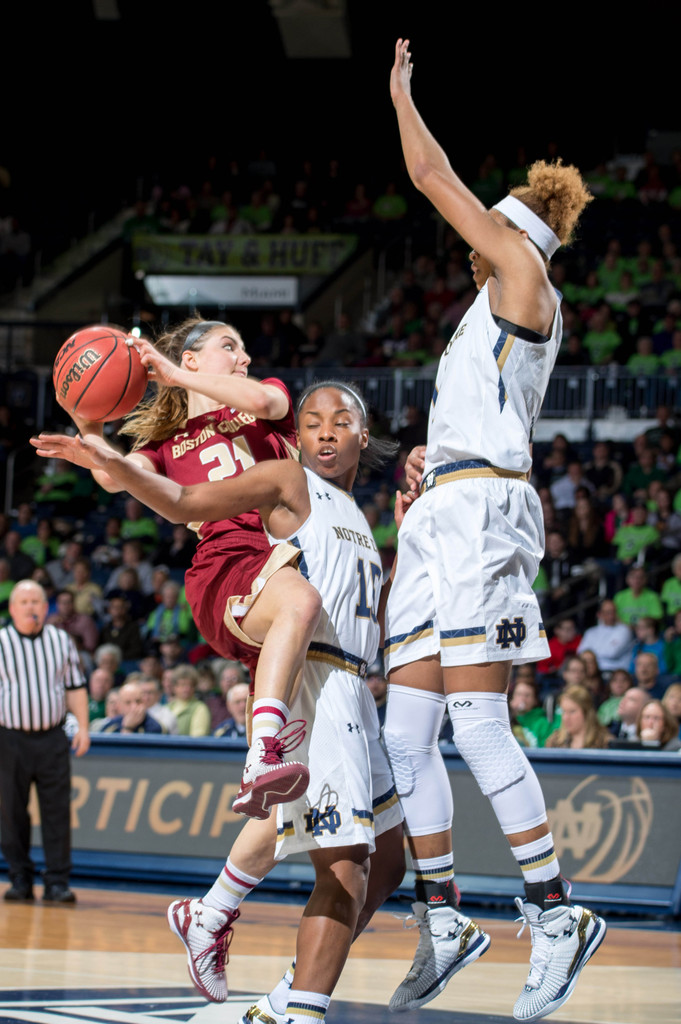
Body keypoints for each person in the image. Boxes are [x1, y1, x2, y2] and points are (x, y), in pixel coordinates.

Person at [33, 382, 405, 1024]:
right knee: (344, 866)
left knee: (390, 864)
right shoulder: (289, 479)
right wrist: (111, 458)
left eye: (339, 422)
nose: (323, 431)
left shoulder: (361, 519)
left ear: (361, 438)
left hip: (356, 686)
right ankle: (297, 1012)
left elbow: (368, 615)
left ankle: (236, 943)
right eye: (311, 420)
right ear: (297, 434)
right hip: (317, 681)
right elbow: (181, 499)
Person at [382, 39, 604, 1023]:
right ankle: (443, 916)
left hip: (485, 519)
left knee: (475, 722)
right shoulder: (480, 311)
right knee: (405, 730)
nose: (465, 233)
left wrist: (401, 95)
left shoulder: (521, 270)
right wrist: (423, 469)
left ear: (511, 226)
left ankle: (557, 913)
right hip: (445, 512)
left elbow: (428, 172)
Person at [60, 317, 324, 818]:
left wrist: (175, 379)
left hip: (297, 560)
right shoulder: (163, 444)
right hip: (229, 562)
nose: (245, 358)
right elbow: (115, 479)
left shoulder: (265, 399)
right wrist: (87, 422)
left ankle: (218, 898)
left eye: (244, 348)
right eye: (231, 347)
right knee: (300, 601)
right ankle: (261, 757)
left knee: (294, 803)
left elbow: (269, 403)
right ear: (191, 358)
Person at [0, 580, 89, 902]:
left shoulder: (60, 640)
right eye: (23, 602)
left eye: (36, 601)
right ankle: (20, 878)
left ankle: (56, 882)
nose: (30, 607)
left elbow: (75, 686)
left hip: (51, 737)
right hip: (8, 740)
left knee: (57, 811)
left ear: (45, 606)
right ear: (12, 609)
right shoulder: (1, 641)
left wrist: (82, 727)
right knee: (10, 812)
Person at [545, 687, 610, 749]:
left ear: (586, 712)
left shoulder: (604, 742)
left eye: (572, 711)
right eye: (563, 711)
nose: (566, 717)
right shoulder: (554, 741)